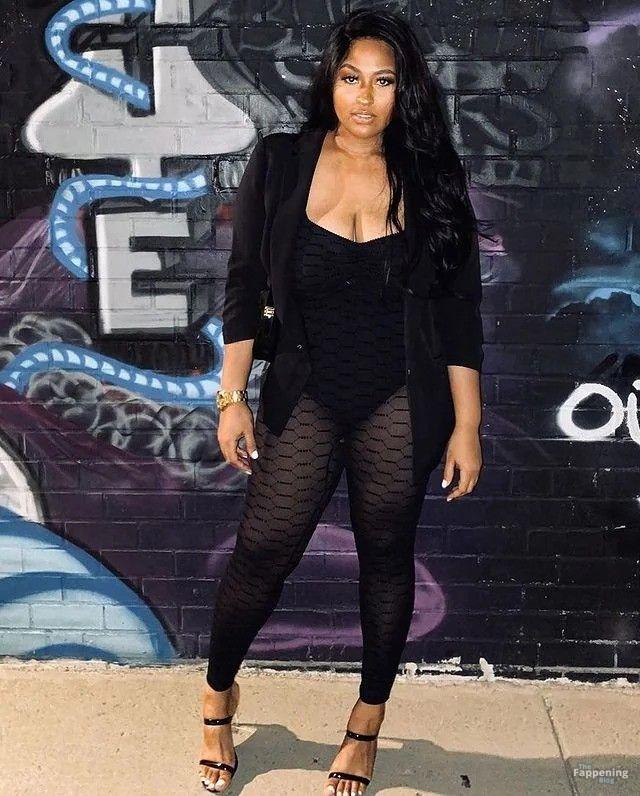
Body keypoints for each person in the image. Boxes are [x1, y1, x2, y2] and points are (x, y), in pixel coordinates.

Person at [199, 8, 486, 794]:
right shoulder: (281, 162)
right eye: (352, 77)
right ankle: (219, 698)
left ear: (405, 90)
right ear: (330, 80)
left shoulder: (433, 177)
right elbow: (245, 286)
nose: (365, 97)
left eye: (383, 81)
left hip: (401, 396)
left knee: (386, 560)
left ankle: (365, 725)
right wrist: (232, 397)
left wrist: (467, 424)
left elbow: (459, 310)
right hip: (308, 389)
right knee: (264, 550)